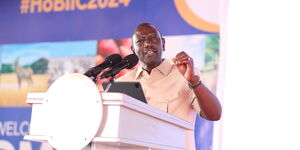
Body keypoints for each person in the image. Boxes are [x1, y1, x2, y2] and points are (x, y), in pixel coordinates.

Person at [117, 23, 222, 150]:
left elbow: (214, 115)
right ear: (133, 49)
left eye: (152, 38)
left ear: (163, 43)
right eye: (140, 40)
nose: (147, 44)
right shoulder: (121, 83)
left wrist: (194, 81)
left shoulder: (185, 73)